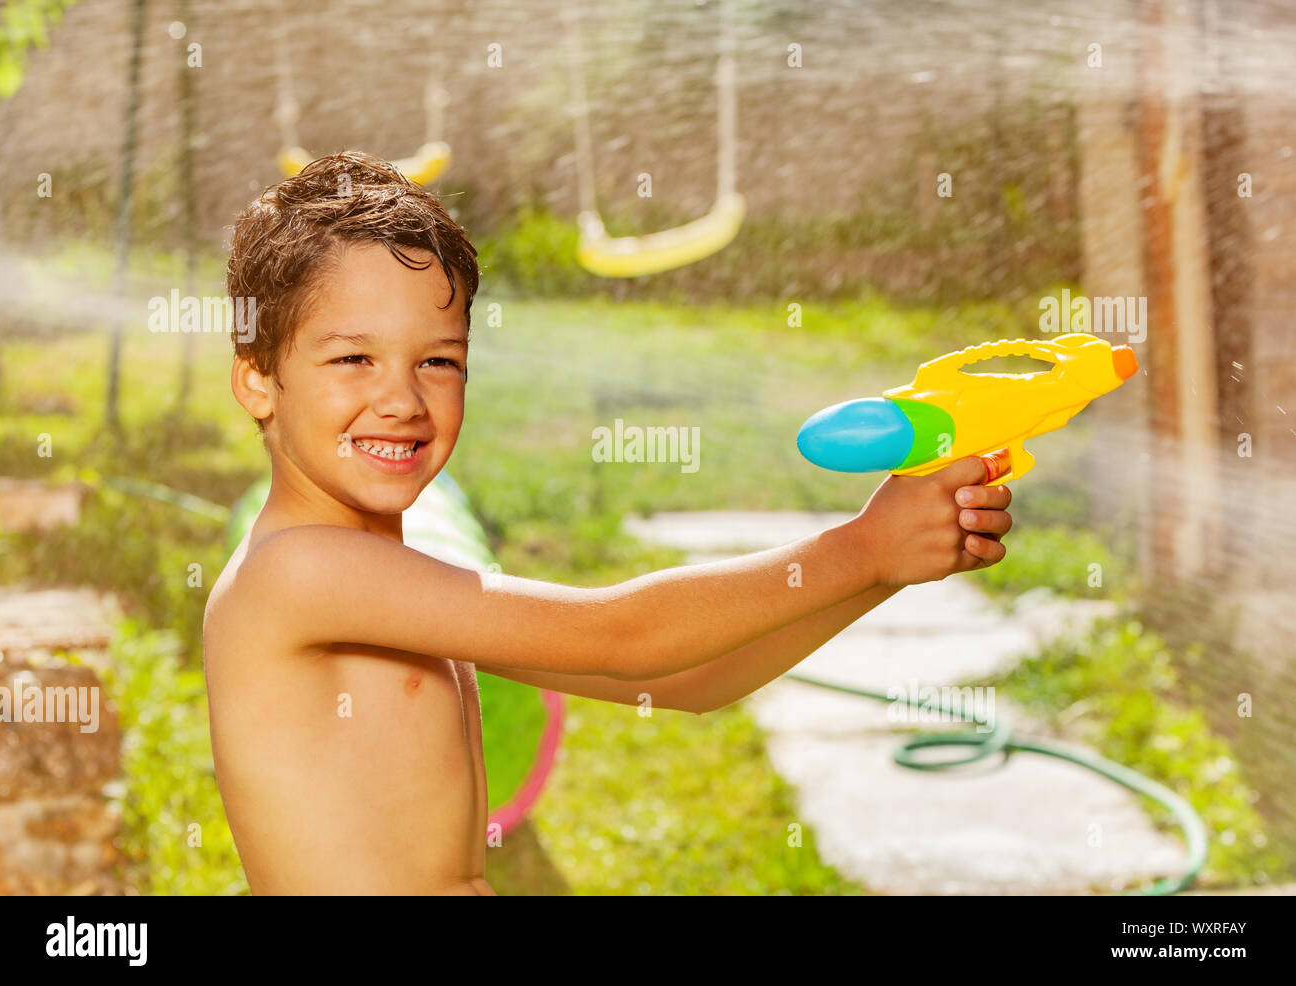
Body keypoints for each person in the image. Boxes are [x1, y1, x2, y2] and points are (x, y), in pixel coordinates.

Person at [203, 150, 1013, 895]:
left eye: (438, 360)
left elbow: (682, 682)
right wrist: (863, 545)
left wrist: (886, 563)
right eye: (354, 359)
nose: (402, 399)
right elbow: (626, 637)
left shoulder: (399, 588)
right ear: (258, 382)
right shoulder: (296, 573)